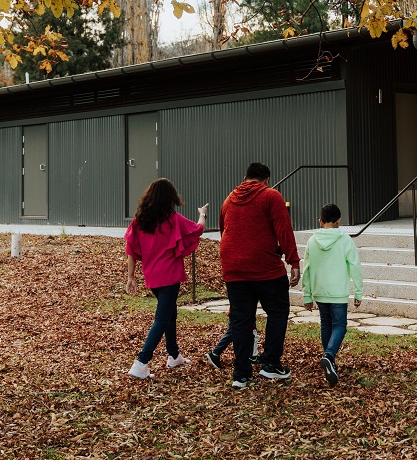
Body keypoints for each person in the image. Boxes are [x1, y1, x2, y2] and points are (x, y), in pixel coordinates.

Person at [219, 162, 301, 389]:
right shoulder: (271, 196)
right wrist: (293, 261)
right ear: (266, 180)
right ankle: (270, 364)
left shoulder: (228, 200)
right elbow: (284, 229)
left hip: (234, 268)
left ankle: (241, 374)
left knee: (241, 319)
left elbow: (223, 230)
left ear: (245, 178)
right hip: (264, 268)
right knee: (277, 311)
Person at [124, 178, 208, 380]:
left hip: (152, 276)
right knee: (162, 319)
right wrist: (202, 214)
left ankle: (174, 355)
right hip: (169, 276)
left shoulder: (140, 221)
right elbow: (198, 230)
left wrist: (130, 277)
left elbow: (131, 250)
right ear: (170, 197)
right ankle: (141, 362)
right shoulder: (173, 219)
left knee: (171, 314)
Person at [302, 203, 363, 387]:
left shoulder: (312, 241)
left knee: (326, 325)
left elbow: (307, 269)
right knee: (340, 326)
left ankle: (330, 363)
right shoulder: (345, 240)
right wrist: (358, 291)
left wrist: (307, 295)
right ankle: (329, 355)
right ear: (339, 222)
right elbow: (355, 266)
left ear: (320, 221)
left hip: (320, 292)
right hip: (338, 293)